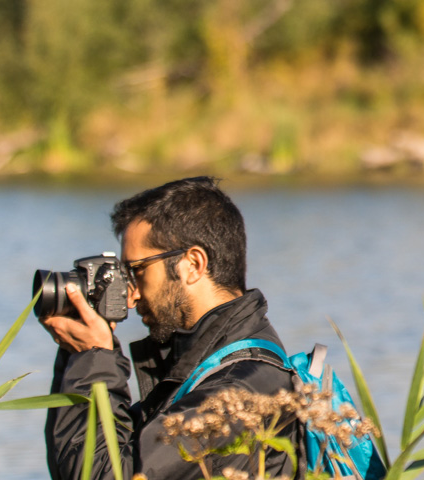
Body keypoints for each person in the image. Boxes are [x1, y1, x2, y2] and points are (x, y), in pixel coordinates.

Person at [40, 176, 296, 479]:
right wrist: (79, 353)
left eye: (137, 271)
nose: (132, 295)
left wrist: (94, 358)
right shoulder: (205, 367)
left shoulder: (236, 391)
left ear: (193, 264)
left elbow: (105, 475)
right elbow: (77, 466)